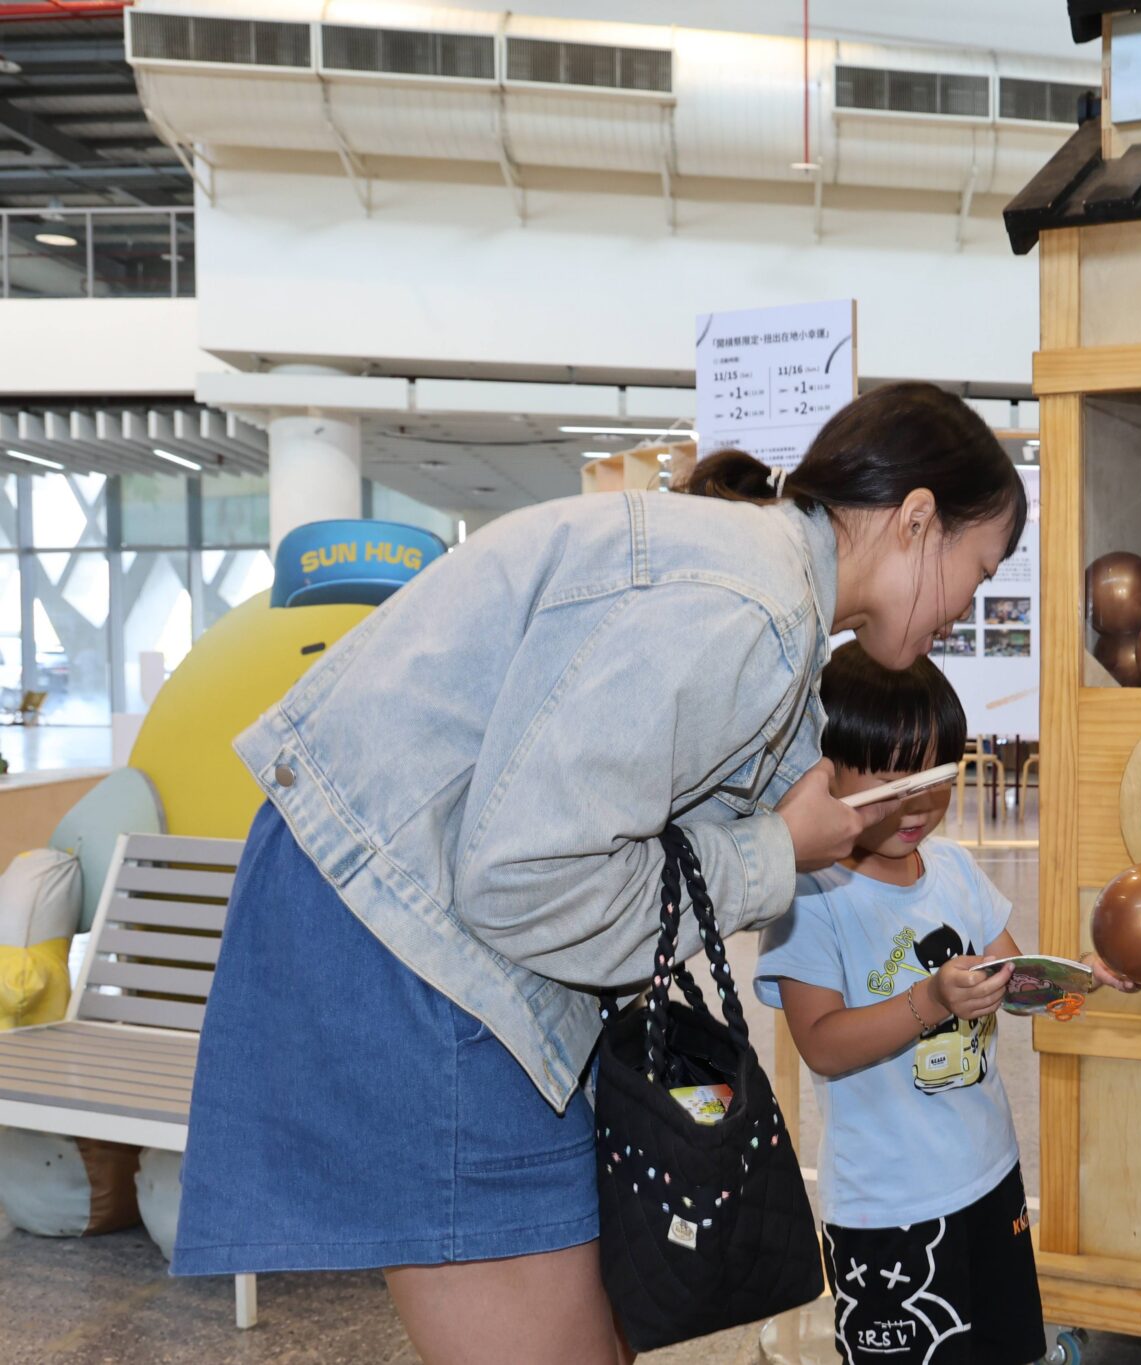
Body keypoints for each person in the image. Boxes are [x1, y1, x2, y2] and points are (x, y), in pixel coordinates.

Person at [172, 383, 1027, 1365]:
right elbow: (526, 875)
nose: (967, 607)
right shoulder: (747, 602)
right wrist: (776, 850)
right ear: (918, 519)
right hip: (417, 941)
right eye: (979, 566)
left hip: (421, 923)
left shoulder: (757, 587)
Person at [754, 642, 1141, 1365]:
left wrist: (1085, 975)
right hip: (889, 1210)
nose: (917, 804)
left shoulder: (953, 868)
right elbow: (820, 1039)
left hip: (989, 1176)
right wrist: (930, 999)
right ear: (828, 776)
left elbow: (1013, 977)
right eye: (890, 781)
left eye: (936, 776)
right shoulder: (809, 895)